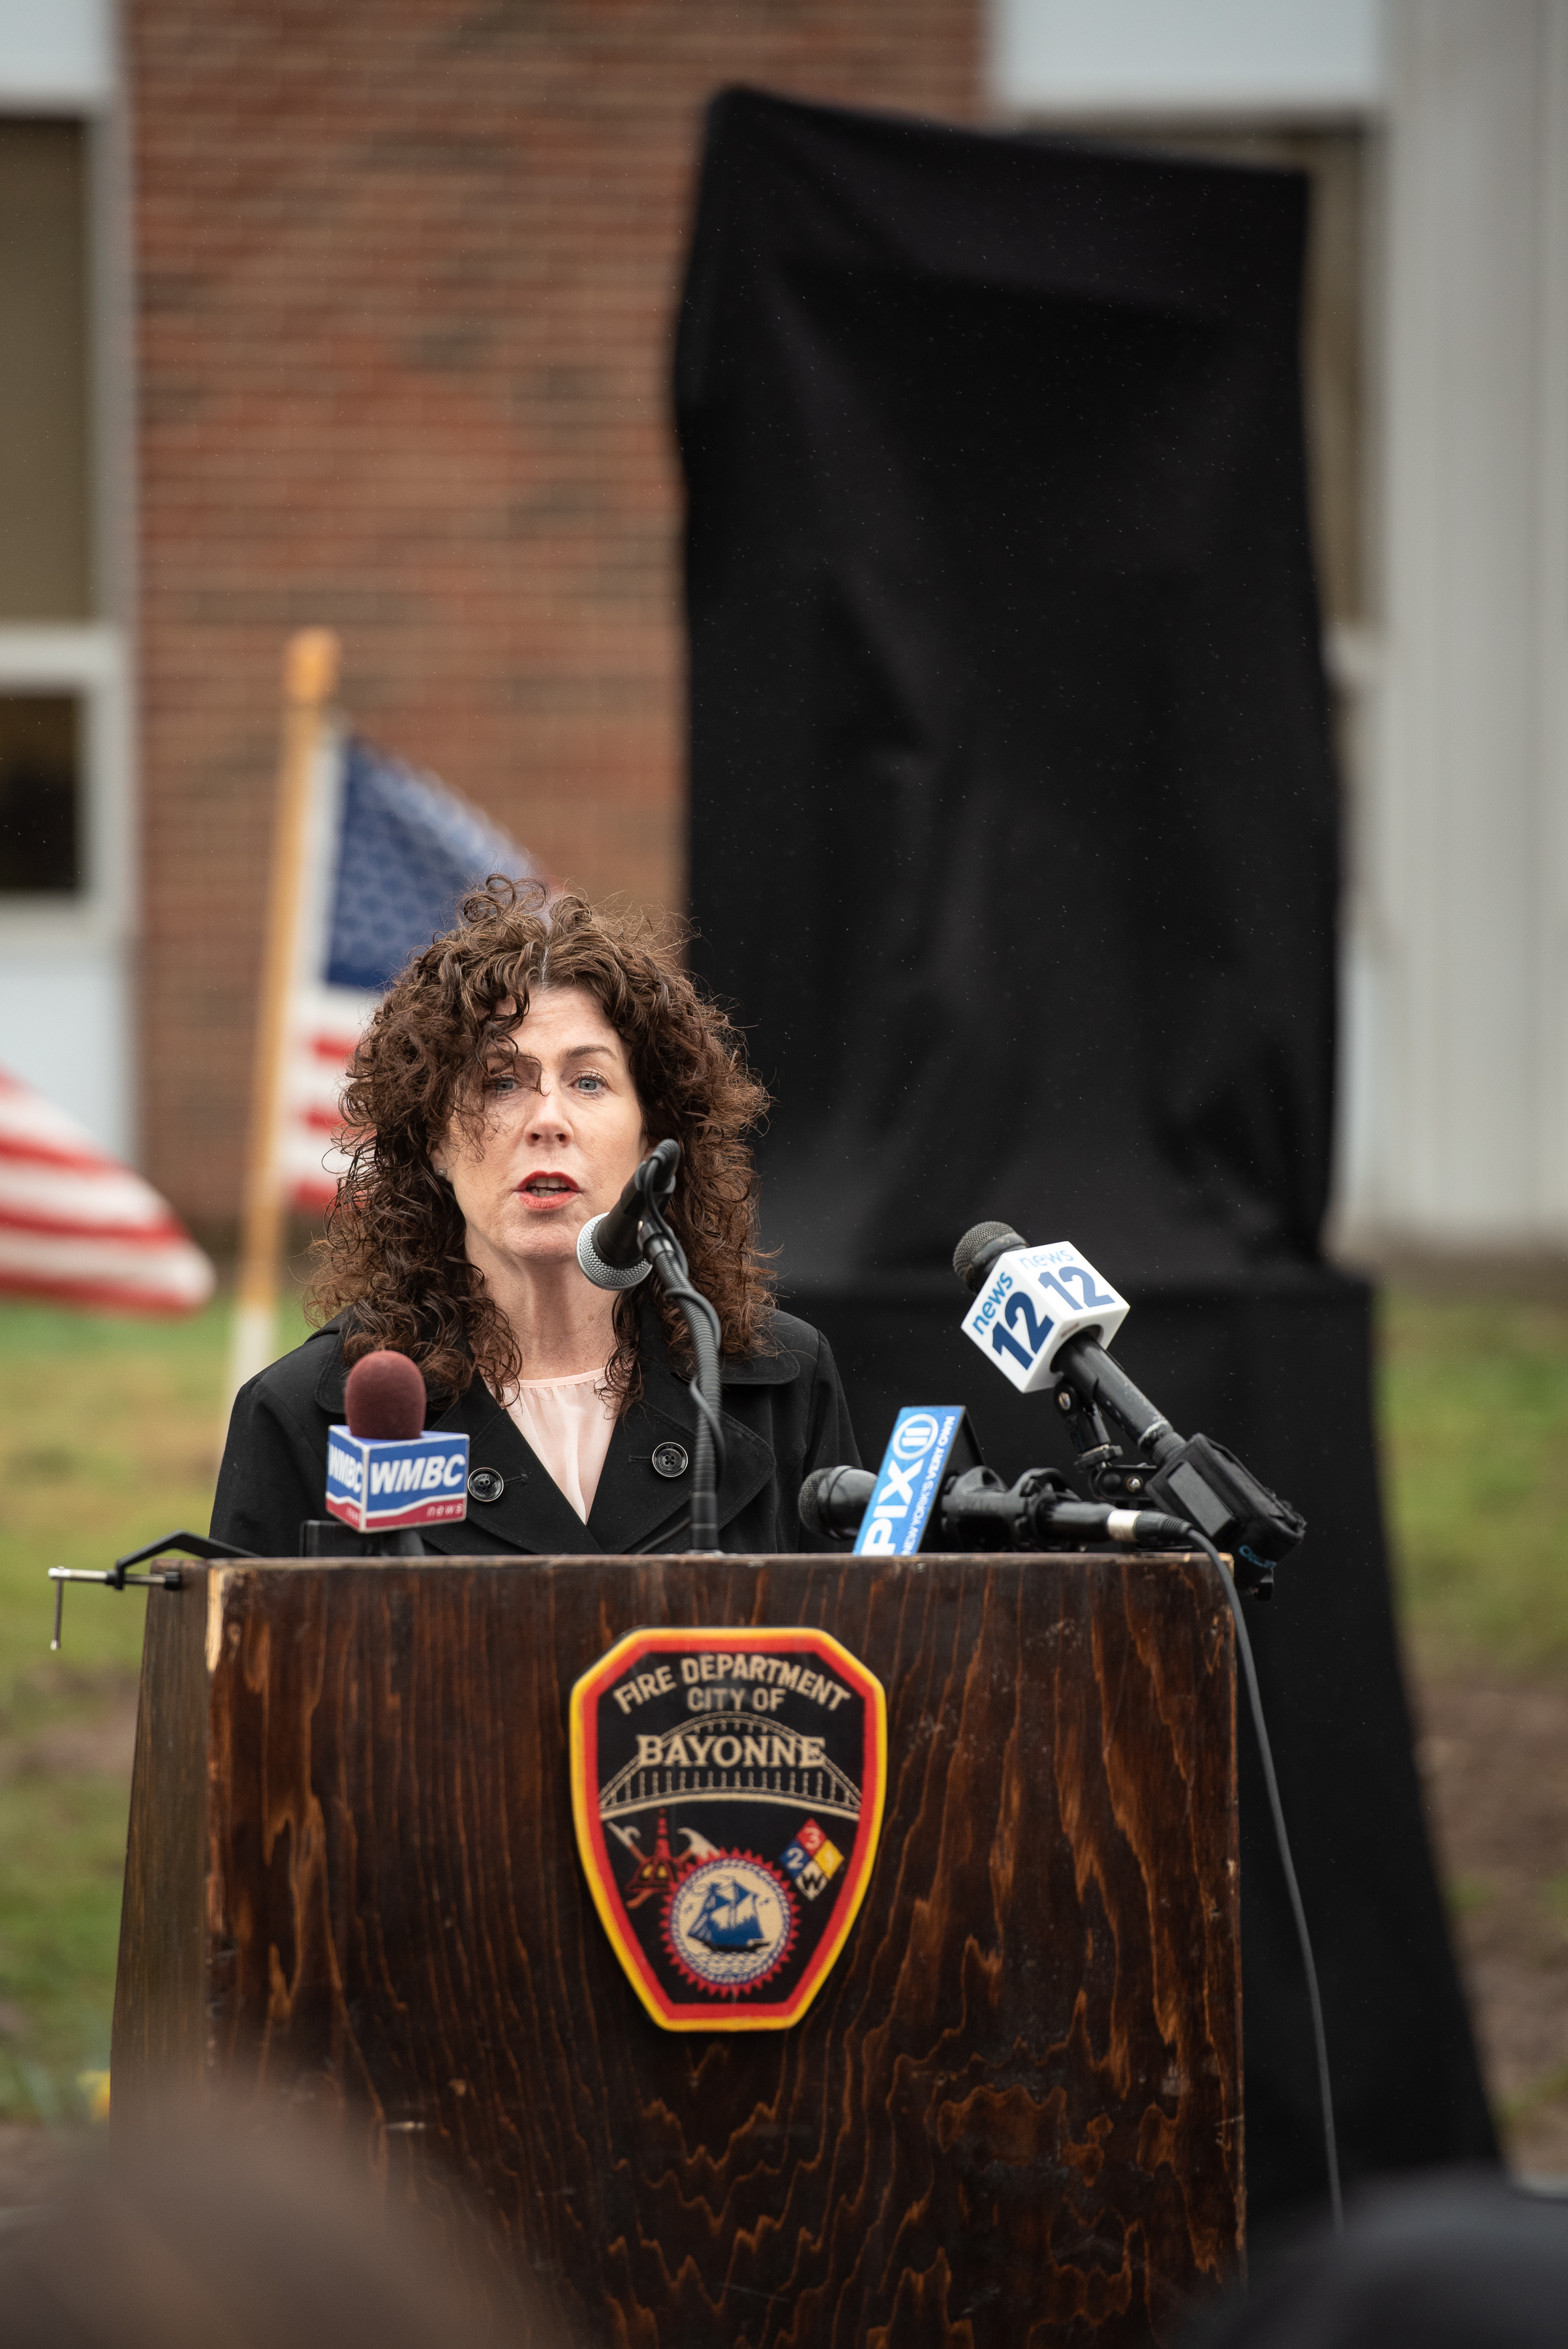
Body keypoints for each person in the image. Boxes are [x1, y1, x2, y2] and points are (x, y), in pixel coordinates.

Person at [213, 883, 860, 1558]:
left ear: (652, 1135)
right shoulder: (309, 1413)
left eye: (588, 1082)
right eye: (501, 1082)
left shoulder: (779, 1382)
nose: (548, 1120)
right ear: (433, 1140)